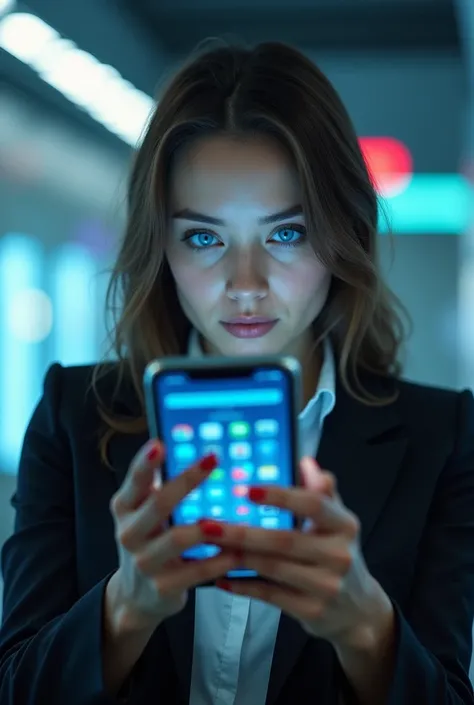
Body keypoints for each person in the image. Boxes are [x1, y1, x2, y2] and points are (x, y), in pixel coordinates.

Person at [0, 40, 473, 705]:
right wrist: (124, 607)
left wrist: (366, 625)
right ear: (160, 244)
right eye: (203, 237)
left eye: (286, 233)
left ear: (342, 233)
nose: (244, 284)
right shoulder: (74, 415)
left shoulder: (442, 437)